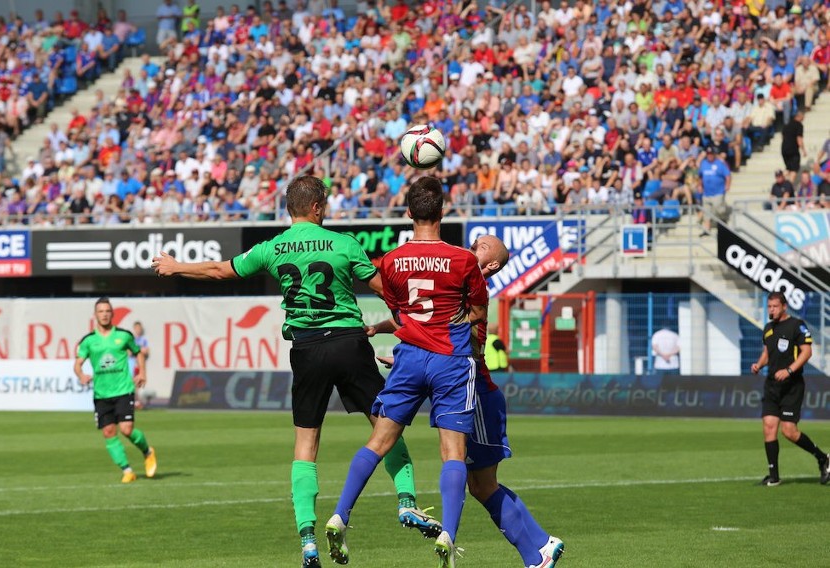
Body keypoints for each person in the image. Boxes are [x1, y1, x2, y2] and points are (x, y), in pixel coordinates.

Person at [152, 175, 436, 568]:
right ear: (318, 207)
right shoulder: (344, 244)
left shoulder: (272, 248)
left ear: (290, 208)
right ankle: (406, 501)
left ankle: (307, 539)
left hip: (306, 349)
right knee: (387, 426)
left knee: (306, 444)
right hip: (349, 343)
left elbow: (220, 271)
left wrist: (176, 266)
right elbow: (389, 292)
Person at [325, 176, 489, 568]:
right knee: (453, 452)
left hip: (410, 357)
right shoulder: (464, 260)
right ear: (443, 212)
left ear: (409, 213)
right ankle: (448, 532)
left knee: (379, 441)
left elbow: (399, 312)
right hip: (451, 359)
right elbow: (479, 314)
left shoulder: (392, 261)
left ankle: (340, 515)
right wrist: (474, 347)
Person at [372, 235, 564, 568]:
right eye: (475, 241)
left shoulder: (474, 295)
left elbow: (456, 348)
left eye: (482, 246)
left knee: (479, 481)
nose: (473, 245)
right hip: (466, 388)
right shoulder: (456, 287)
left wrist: (418, 359)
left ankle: (537, 550)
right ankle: (540, 547)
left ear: (491, 265)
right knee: (480, 484)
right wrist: (404, 353)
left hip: (478, 394)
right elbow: (417, 320)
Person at [74, 297, 157, 483]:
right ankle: (127, 470)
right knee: (108, 432)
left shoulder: (124, 335)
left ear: (112, 314)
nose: (104, 314)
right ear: (95, 315)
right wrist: (81, 375)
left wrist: (142, 372)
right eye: (101, 311)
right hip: (101, 394)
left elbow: (138, 353)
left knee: (127, 430)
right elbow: (77, 364)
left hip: (123, 389)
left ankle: (147, 451)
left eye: (107, 311)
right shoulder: (88, 341)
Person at [750, 292, 830, 487]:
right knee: (769, 427)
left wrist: (789, 370)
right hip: (771, 385)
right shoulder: (768, 328)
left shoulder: (796, 325)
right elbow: (767, 352)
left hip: (791, 386)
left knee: (789, 431)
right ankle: (774, 476)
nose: (771, 310)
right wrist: (759, 364)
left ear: (784, 306)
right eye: (769, 307)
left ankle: (822, 458)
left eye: (775, 307)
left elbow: (807, 352)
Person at [697, 147, 731, 236]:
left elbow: (727, 175)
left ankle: (723, 225)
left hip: (718, 192)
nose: (710, 156)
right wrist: (700, 185)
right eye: (708, 154)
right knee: (706, 212)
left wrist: (727, 185)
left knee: (719, 209)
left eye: (711, 154)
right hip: (707, 193)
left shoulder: (719, 164)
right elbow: (700, 176)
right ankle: (707, 230)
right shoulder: (704, 163)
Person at [781, 110, 806, 183]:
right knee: (794, 169)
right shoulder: (799, 125)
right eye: (803, 117)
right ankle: (789, 187)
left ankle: (779, 179)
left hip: (784, 149)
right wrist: (803, 150)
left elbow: (782, 136)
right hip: (793, 150)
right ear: (800, 116)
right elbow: (799, 139)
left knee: (788, 169)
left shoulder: (787, 124)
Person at [130, 321, 150, 409]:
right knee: (131, 383)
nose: (138, 330)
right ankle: (133, 401)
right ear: (134, 328)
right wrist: (139, 350)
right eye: (137, 328)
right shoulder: (131, 339)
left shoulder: (144, 339)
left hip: (140, 365)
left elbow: (146, 351)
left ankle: (137, 402)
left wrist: (137, 351)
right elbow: (129, 352)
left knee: (138, 383)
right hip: (132, 364)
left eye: (140, 328)